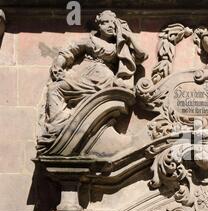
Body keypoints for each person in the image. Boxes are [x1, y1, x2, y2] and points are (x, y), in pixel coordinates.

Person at [38, 10, 148, 152]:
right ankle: (56, 128)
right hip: (82, 76)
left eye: (113, 24)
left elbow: (141, 55)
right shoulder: (89, 40)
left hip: (103, 80)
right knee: (55, 89)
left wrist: (129, 36)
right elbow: (68, 51)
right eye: (106, 22)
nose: (110, 26)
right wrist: (58, 65)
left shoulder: (119, 46)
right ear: (99, 24)